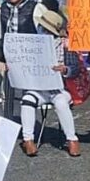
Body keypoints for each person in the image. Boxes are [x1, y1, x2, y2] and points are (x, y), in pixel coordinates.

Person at [19, 10, 82, 157]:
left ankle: (72, 139)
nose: (41, 30)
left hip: (60, 89)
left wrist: (65, 69)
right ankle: (28, 140)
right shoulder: (32, 44)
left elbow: (75, 69)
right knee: (27, 100)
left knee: (60, 102)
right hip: (38, 89)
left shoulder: (65, 45)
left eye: (44, 28)